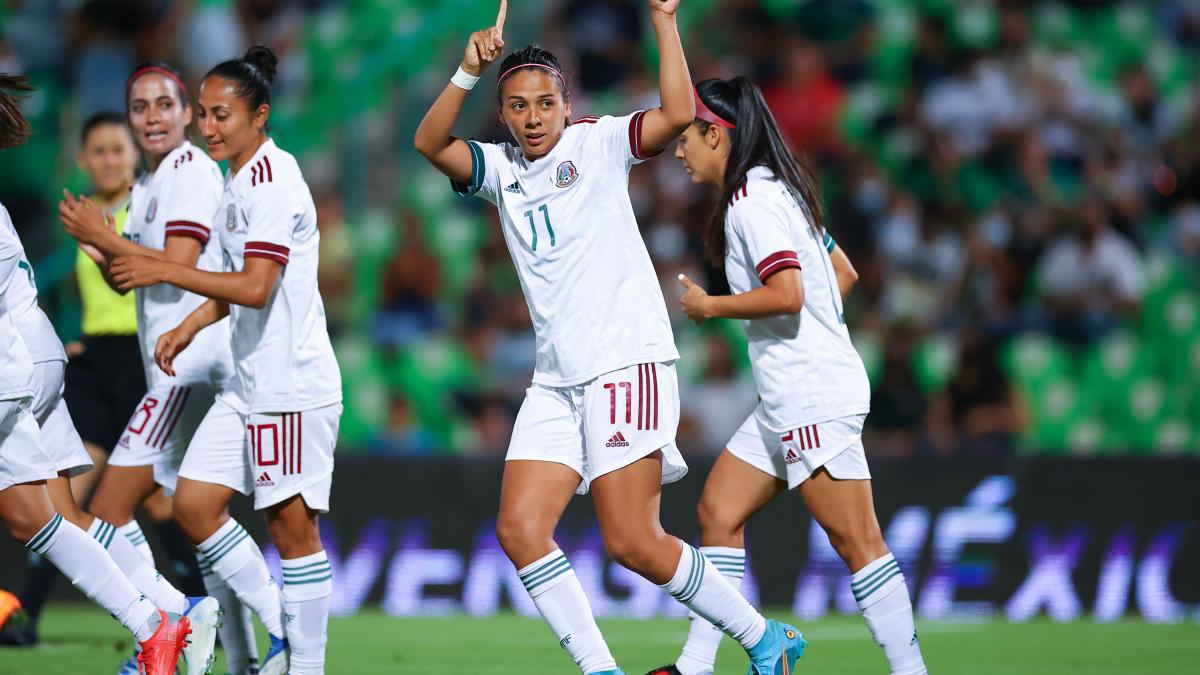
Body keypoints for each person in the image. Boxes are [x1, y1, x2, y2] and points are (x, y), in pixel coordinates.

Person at [413, 3, 804, 674]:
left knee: (633, 541)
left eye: (544, 102)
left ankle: (766, 638)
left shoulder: (595, 143)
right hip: (555, 378)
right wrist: (466, 71)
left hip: (625, 362)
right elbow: (428, 143)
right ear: (503, 114)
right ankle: (602, 669)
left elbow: (678, 114)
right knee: (520, 530)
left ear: (568, 104)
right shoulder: (501, 172)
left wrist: (664, 21)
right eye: (517, 106)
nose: (533, 117)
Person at [651, 77, 927, 675]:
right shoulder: (779, 189)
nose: (679, 152)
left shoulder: (750, 204)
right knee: (719, 511)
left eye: (686, 139)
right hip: (790, 394)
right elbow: (842, 274)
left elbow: (791, 293)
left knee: (858, 542)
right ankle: (696, 667)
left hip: (809, 394)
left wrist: (712, 306)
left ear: (717, 136)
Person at [110, 45, 343, 675]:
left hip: (289, 385)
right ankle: (279, 632)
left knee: (292, 533)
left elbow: (257, 286)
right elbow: (233, 282)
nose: (208, 127)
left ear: (259, 115)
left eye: (223, 116)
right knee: (193, 505)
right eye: (206, 115)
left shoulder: (272, 182)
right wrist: (189, 323)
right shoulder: (237, 179)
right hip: (248, 383)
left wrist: (160, 267)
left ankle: (306, 664)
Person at [59, 62, 251, 675]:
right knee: (195, 515)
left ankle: (174, 621)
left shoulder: (190, 173)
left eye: (163, 104)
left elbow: (176, 261)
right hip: (173, 364)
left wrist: (105, 235)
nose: (151, 116)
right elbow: (130, 281)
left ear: (187, 114)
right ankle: (222, 644)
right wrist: (102, 244)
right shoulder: (148, 186)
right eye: (139, 106)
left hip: (192, 365)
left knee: (111, 508)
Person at [0, 72, 190, 675]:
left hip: (13, 366)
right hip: (41, 356)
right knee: (44, 515)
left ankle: (153, 623)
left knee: (45, 515)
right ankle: (169, 612)